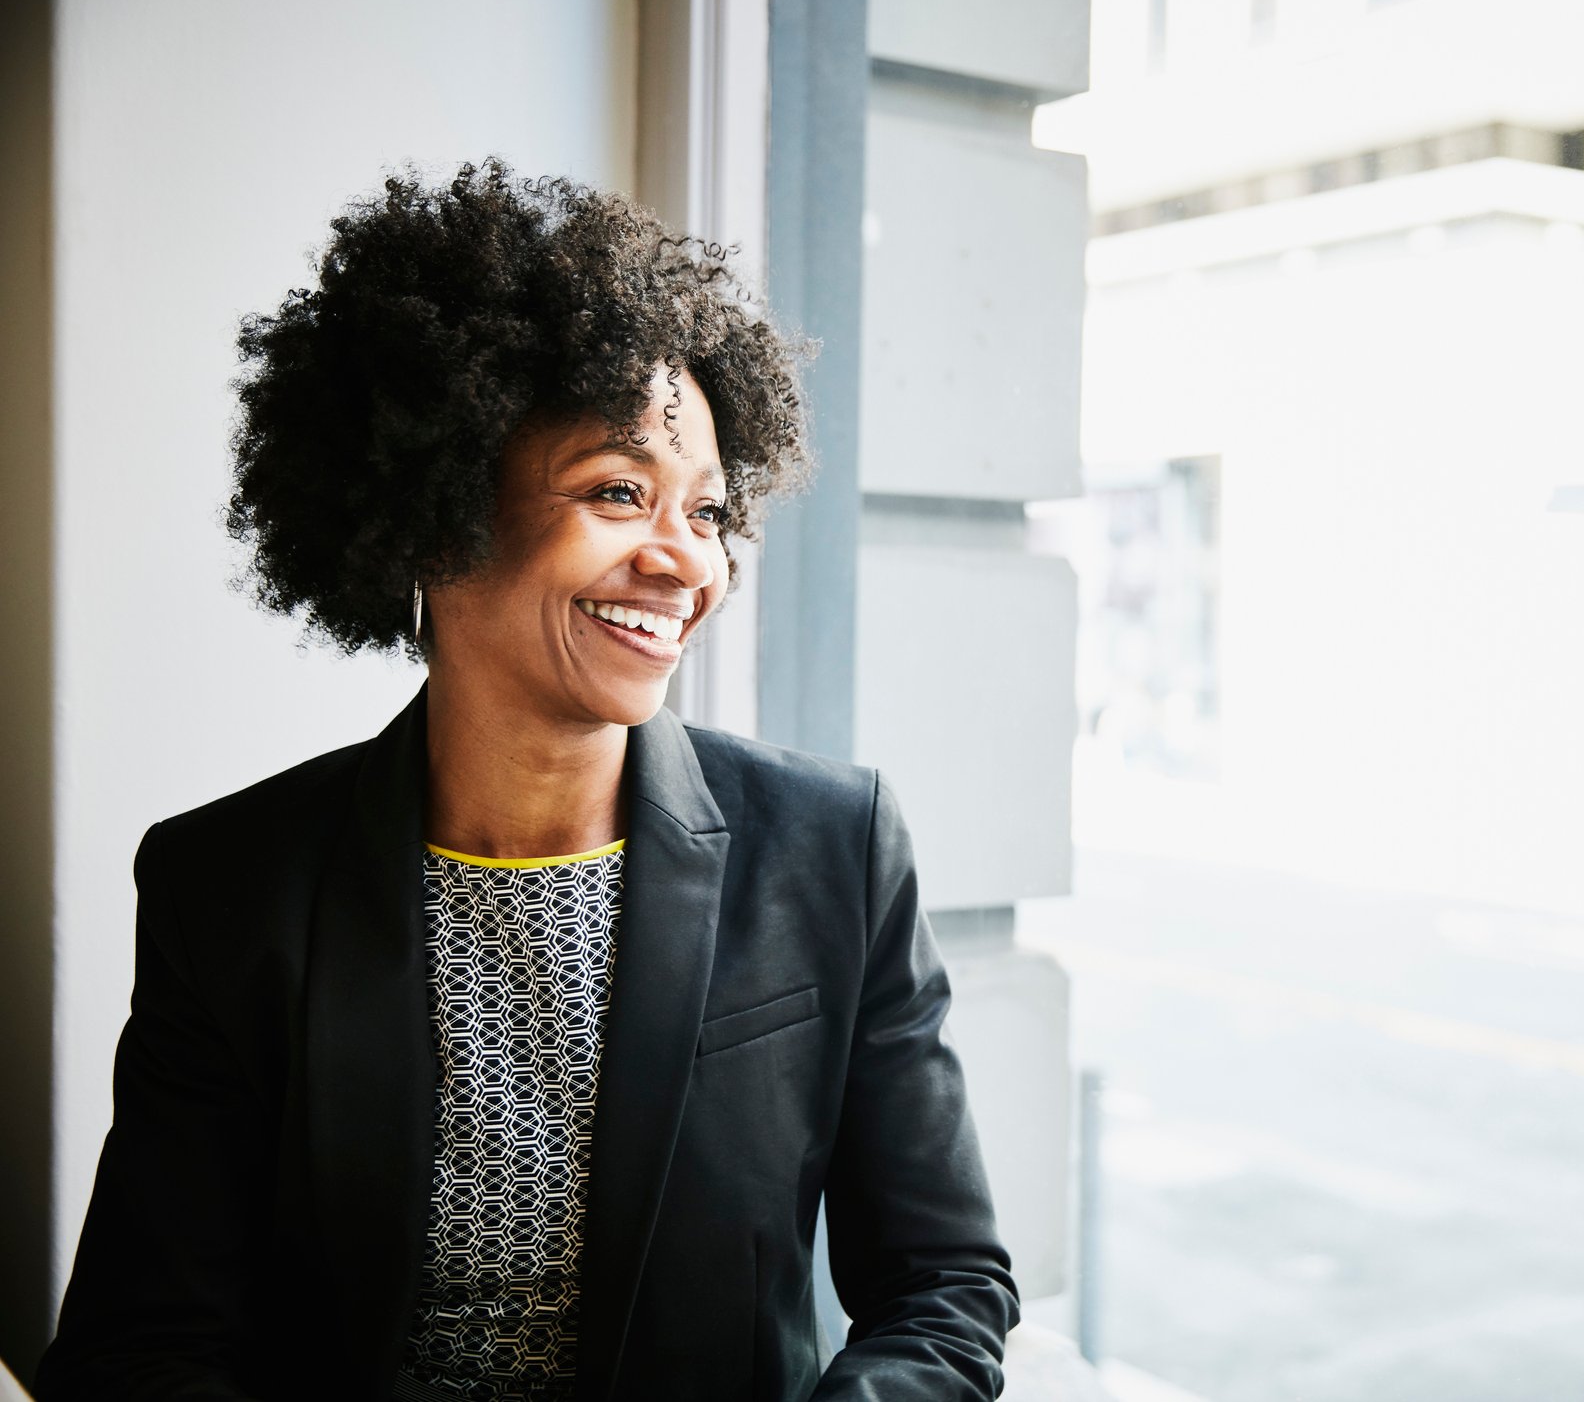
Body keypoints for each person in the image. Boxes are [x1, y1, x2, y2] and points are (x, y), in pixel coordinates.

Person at [37, 161, 1018, 1402]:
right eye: (619, 493)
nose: (685, 563)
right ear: (435, 518)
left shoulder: (833, 848)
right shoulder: (229, 884)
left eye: (707, 512)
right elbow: (144, 1341)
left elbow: (945, 1290)